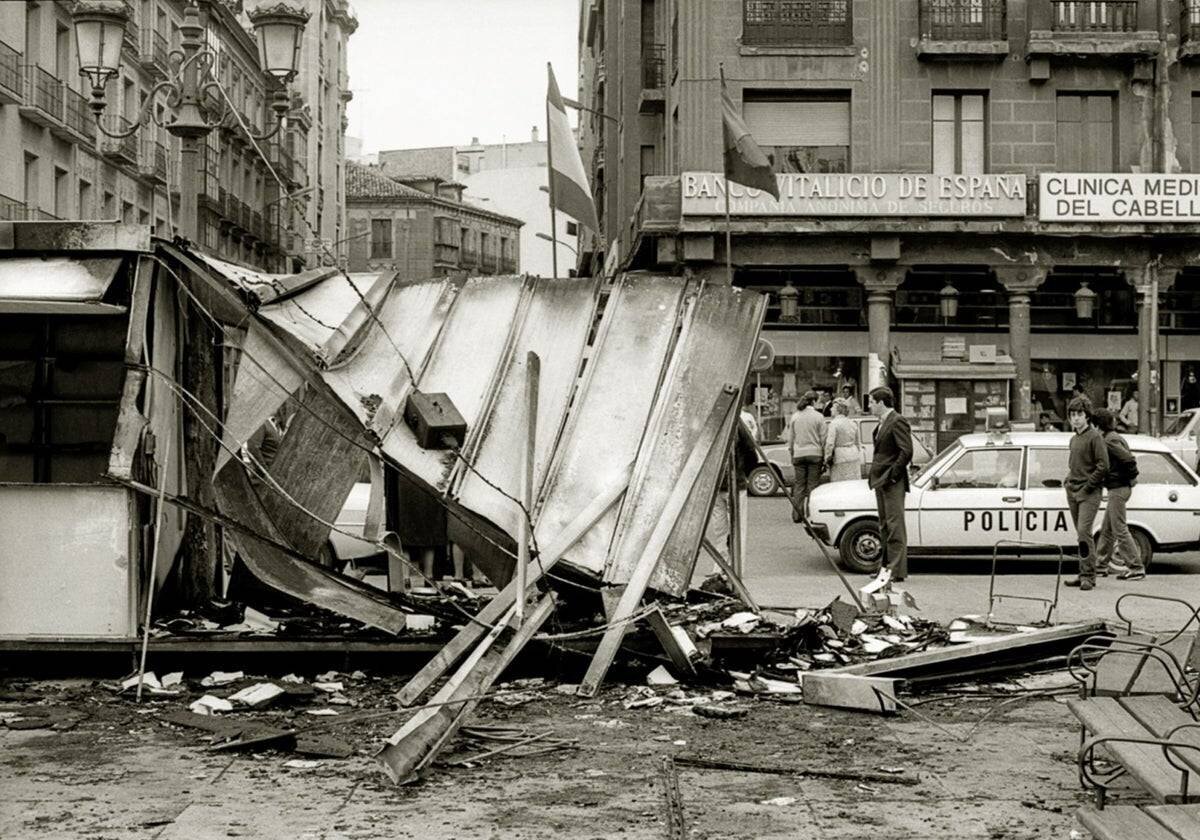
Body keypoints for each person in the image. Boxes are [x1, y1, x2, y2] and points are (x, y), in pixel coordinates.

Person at [866, 386, 913, 584]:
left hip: (891, 480)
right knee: (884, 525)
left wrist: (893, 475)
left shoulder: (897, 421)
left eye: (871, 402)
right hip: (880, 480)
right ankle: (886, 568)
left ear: (880, 403)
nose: (869, 405)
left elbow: (906, 451)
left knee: (895, 526)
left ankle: (895, 569)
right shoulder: (883, 423)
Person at [1092, 408, 1144, 581]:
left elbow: (1128, 460)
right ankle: (1100, 566)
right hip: (1119, 487)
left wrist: (1132, 477)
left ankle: (1135, 567)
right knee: (1107, 528)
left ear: (1098, 425)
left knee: (1120, 529)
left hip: (1118, 488)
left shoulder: (1109, 440)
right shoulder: (1114, 436)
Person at [1063, 396, 1109, 591]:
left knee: (1084, 532)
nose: (1076, 418)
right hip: (1073, 491)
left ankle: (1089, 576)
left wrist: (1087, 487)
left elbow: (1103, 466)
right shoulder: (1074, 439)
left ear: (1087, 416)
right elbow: (1075, 464)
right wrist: (1068, 480)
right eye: (1072, 415)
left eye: (1079, 414)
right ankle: (1083, 572)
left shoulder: (1095, 437)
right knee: (1081, 534)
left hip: (1089, 493)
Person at [785, 390, 826, 524]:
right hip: (815, 454)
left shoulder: (795, 416)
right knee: (812, 486)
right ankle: (811, 515)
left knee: (799, 485)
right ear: (814, 401)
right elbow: (823, 438)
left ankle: (797, 515)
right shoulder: (819, 417)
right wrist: (824, 455)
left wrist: (792, 453)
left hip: (799, 454)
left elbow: (790, 438)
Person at [824, 398, 862, 482]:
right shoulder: (853, 423)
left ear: (838, 409)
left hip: (840, 456)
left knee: (839, 483)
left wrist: (827, 457)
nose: (830, 409)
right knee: (853, 482)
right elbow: (857, 442)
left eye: (833, 407)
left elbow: (830, 444)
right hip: (853, 455)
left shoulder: (834, 424)